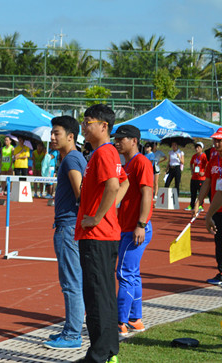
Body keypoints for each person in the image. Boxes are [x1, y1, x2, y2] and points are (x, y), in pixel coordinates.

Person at [75, 104, 128, 363]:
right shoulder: (104, 153)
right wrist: (109, 211)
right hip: (103, 234)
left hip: (97, 235)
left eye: (87, 122)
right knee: (103, 295)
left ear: (103, 126)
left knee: (96, 297)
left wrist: (97, 216)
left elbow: (115, 184)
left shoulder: (104, 153)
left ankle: (98, 355)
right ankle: (107, 351)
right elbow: (124, 182)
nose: (84, 126)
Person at [43, 115, 86, 351]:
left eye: (56, 133)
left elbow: (81, 194)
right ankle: (70, 329)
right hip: (71, 226)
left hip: (68, 227)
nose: (52, 137)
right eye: (52, 132)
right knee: (74, 281)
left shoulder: (71, 160)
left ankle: (72, 335)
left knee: (71, 283)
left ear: (71, 136)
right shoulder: (74, 158)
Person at [113, 124, 154, 337]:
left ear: (134, 140)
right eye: (116, 138)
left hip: (135, 228)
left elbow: (147, 193)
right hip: (127, 227)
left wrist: (141, 224)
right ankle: (135, 319)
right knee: (133, 274)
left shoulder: (141, 163)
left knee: (124, 273)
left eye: (122, 138)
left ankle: (120, 322)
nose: (117, 142)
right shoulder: (127, 164)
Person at [194, 128, 222, 285]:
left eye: (219, 140)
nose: (216, 143)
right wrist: (199, 201)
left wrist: (208, 214)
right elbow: (208, 182)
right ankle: (221, 272)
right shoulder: (214, 159)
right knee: (219, 241)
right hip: (217, 209)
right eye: (215, 140)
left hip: (217, 208)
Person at [189, 141, 207, 211]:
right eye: (196, 147)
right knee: (193, 192)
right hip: (194, 177)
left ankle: (200, 205)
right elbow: (191, 163)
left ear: (201, 148)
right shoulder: (194, 156)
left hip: (201, 178)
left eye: (199, 147)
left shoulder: (204, 156)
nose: (197, 149)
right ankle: (191, 205)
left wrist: (204, 172)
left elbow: (207, 165)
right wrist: (192, 170)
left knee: (201, 193)